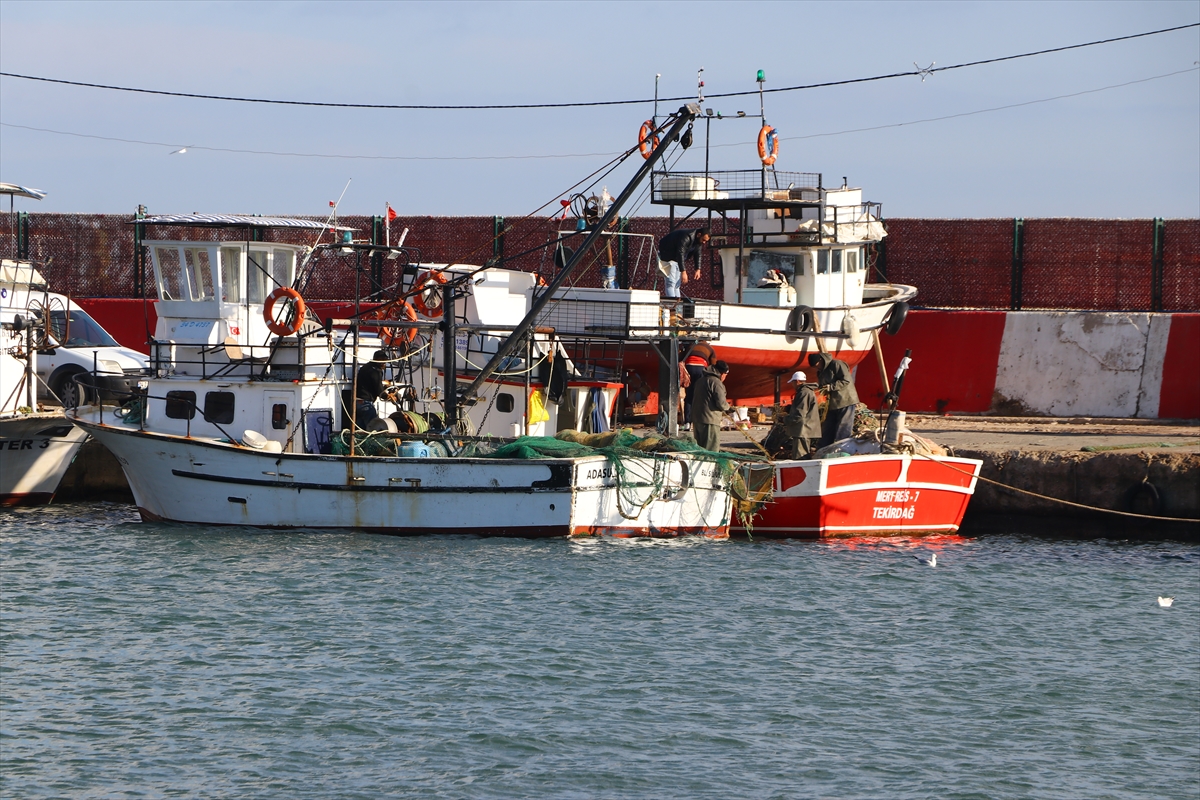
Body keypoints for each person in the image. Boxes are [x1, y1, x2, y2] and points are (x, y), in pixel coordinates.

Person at [809, 352, 859, 447]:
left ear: (820, 360)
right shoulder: (820, 372)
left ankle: (841, 449)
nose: (817, 368)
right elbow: (821, 385)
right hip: (833, 403)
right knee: (828, 427)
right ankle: (823, 448)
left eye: (817, 365)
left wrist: (831, 387)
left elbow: (846, 380)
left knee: (843, 427)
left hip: (846, 400)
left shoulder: (837, 364)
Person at [657, 227, 711, 299]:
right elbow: (680, 253)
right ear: (699, 235)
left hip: (677, 259)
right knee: (670, 283)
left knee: (676, 285)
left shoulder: (698, 242)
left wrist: (698, 268)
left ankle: (677, 306)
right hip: (668, 256)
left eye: (706, 241)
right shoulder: (687, 237)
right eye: (703, 240)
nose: (704, 242)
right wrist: (683, 272)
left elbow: (698, 254)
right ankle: (673, 306)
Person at [691, 359, 730, 452]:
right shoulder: (716, 382)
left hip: (697, 419)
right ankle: (709, 466)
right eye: (725, 375)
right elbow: (721, 403)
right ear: (722, 373)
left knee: (700, 450)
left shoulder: (700, 381)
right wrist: (728, 408)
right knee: (711, 451)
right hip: (710, 420)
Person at [782, 370, 821, 458]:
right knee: (803, 455)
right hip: (804, 430)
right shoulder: (806, 391)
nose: (792, 385)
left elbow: (799, 415)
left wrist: (785, 419)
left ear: (797, 381)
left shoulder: (804, 392)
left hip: (803, 430)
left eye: (793, 382)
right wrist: (791, 408)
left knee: (800, 457)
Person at [354, 349, 392, 427]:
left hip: (357, 402)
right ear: (378, 360)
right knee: (373, 427)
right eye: (383, 361)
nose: (384, 363)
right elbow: (380, 392)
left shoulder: (366, 367)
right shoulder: (376, 371)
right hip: (366, 404)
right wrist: (388, 396)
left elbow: (369, 384)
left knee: (360, 428)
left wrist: (384, 387)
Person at [682, 343, 714, 429]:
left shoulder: (690, 345)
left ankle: (687, 423)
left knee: (689, 396)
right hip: (701, 368)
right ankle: (700, 421)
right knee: (700, 396)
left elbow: (681, 357)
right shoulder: (709, 347)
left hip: (689, 367)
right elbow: (713, 364)